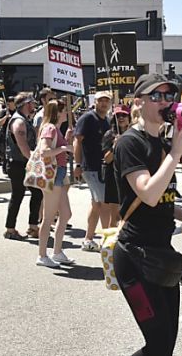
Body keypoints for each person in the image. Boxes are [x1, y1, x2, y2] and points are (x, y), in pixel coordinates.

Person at [114, 74, 182, 356]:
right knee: (158, 345)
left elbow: (161, 198)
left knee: (166, 345)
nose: (165, 102)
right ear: (138, 102)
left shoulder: (162, 144)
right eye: (156, 96)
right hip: (134, 262)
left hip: (161, 256)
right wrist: (175, 153)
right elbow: (147, 193)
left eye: (168, 96)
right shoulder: (129, 143)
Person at [36, 100, 76, 267]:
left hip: (57, 174)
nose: (67, 113)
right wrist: (65, 148)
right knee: (49, 217)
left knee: (65, 214)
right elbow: (45, 151)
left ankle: (57, 252)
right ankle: (42, 255)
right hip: (53, 174)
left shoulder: (54, 128)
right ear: (58, 112)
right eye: (65, 111)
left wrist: (65, 142)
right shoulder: (50, 128)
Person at [74, 91, 113, 252]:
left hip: (102, 168)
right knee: (105, 204)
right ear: (95, 102)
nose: (104, 103)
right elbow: (77, 141)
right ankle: (106, 240)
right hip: (91, 167)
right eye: (101, 100)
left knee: (97, 204)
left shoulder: (107, 121)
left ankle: (88, 239)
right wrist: (77, 164)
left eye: (107, 101)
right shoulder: (88, 118)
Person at [5, 92, 42, 240]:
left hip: (24, 163)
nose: (34, 105)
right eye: (32, 103)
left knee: (37, 193)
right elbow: (23, 146)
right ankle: (10, 229)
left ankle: (33, 226)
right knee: (18, 195)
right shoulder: (19, 122)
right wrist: (34, 161)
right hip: (19, 164)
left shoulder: (23, 120)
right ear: (27, 104)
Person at [101, 105, 130, 212]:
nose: (121, 118)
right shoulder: (110, 135)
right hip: (114, 177)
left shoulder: (134, 134)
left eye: (124, 115)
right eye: (118, 115)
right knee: (115, 215)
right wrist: (114, 146)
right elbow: (107, 159)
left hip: (130, 175)